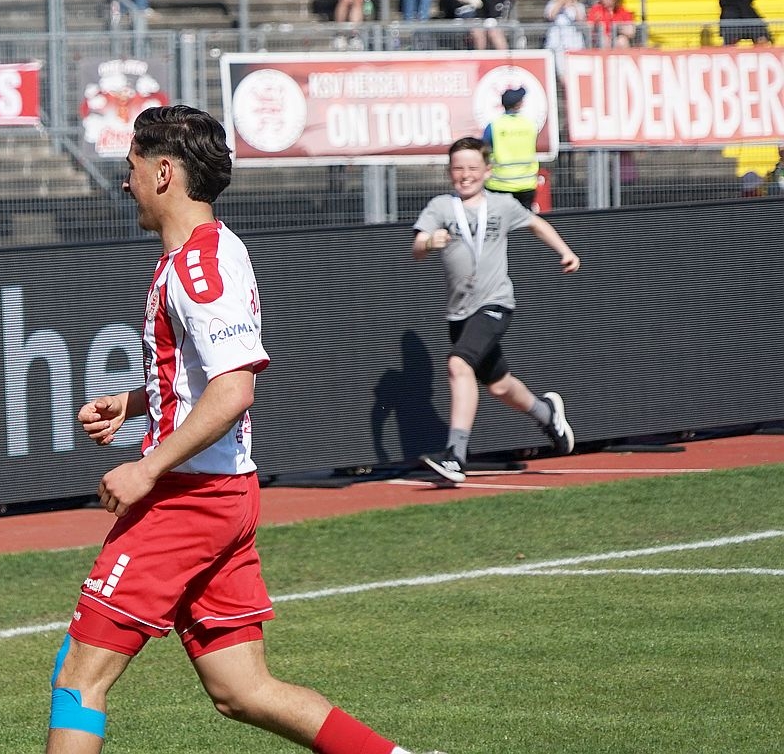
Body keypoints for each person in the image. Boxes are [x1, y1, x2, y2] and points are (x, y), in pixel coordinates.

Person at [55, 105, 427, 754]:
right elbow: (203, 379)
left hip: (187, 499)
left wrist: (146, 467)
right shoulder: (211, 250)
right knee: (242, 690)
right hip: (224, 492)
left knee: (77, 681)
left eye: (132, 167)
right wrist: (135, 404)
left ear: (164, 173)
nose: (125, 181)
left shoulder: (198, 268)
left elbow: (233, 391)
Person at [412, 135, 580, 487]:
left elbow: (536, 223)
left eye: (473, 168)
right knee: (500, 386)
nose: (466, 175)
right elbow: (416, 248)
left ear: (487, 171)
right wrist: (429, 241)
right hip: (459, 313)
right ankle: (546, 413)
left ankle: (456, 456)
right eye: (458, 168)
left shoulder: (501, 205)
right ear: (449, 172)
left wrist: (565, 251)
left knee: (459, 365)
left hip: (495, 303)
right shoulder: (441, 207)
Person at [482, 86, 542, 210]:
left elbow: (484, 149)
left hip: (499, 185)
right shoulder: (530, 125)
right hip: (526, 184)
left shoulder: (494, 126)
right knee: (524, 220)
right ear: (519, 104)